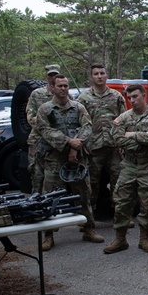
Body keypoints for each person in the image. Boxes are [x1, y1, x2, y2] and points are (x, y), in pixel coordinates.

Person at [37, 75, 102, 250]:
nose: (63, 89)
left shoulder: (79, 107)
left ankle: (88, 229)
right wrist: (67, 141)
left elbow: (88, 127)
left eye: (66, 85)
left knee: (84, 194)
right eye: (60, 86)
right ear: (52, 87)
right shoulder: (45, 109)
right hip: (54, 159)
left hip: (77, 158)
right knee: (49, 197)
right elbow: (44, 130)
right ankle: (48, 235)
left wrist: (75, 147)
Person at [105, 84, 148, 255]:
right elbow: (116, 139)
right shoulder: (123, 118)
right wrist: (138, 143)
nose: (132, 100)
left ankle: (144, 238)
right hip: (128, 166)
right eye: (129, 98)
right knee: (121, 203)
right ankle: (120, 239)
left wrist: (132, 135)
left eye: (135, 96)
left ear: (144, 95)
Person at [76, 63, 127, 216]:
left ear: (106, 75)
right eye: (96, 74)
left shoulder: (116, 96)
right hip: (93, 148)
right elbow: (79, 124)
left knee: (119, 183)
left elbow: (123, 120)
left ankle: (121, 216)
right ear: (91, 77)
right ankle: (88, 219)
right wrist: (84, 144)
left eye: (102, 73)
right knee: (91, 184)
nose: (99, 76)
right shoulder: (83, 98)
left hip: (114, 147)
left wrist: (122, 142)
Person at [26, 64, 61, 193]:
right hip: (38, 140)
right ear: (46, 76)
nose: (53, 77)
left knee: (54, 178)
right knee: (36, 174)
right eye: (50, 75)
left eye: (55, 75)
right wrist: (47, 127)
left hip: (57, 142)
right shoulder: (36, 94)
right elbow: (30, 117)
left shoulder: (64, 93)